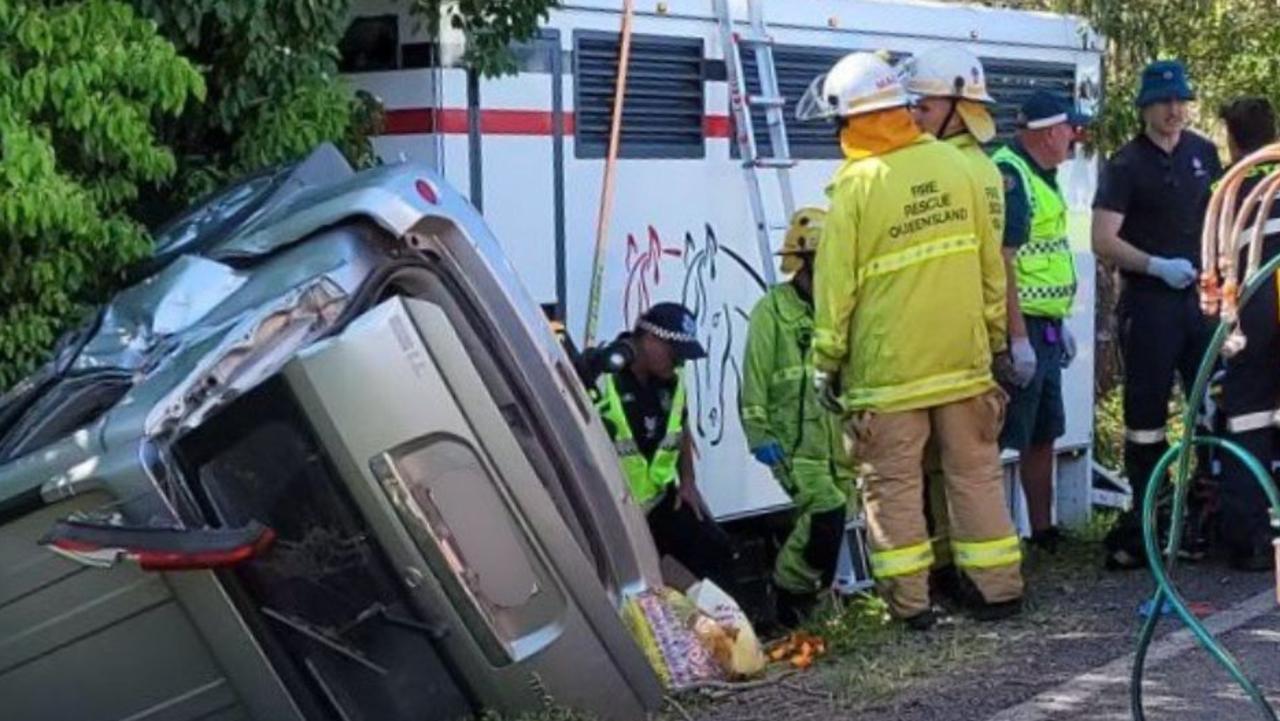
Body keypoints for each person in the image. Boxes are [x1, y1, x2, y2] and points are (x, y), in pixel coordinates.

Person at [807, 51, 1023, 630]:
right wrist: (996, 342)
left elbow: (835, 291)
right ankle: (997, 590)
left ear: (850, 121)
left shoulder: (854, 187)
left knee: (892, 484)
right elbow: (989, 269)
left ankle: (912, 608)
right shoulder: (960, 169)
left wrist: (826, 361)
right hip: (963, 361)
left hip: (889, 371)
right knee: (976, 475)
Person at [1092, 60, 1224, 569]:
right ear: (1145, 107)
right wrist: (1154, 266)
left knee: (1211, 408)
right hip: (1149, 303)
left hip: (1199, 300)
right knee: (1145, 420)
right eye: (1164, 102)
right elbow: (1103, 239)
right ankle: (1150, 514)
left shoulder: (1202, 154)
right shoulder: (1126, 164)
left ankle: (1205, 515)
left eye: (1180, 101)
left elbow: (1223, 213)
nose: (1174, 110)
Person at [902, 46, 1009, 596]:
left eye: (924, 104)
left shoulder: (961, 169)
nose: (914, 114)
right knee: (955, 471)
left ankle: (966, 578)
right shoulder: (977, 167)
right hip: (961, 345)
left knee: (960, 473)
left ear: (956, 105)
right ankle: (979, 581)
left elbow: (991, 263)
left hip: (942, 348)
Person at [740, 206, 854, 627]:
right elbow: (754, 379)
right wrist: (758, 433)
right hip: (794, 446)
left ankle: (812, 609)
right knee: (826, 512)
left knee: (831, 525)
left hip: (839, 444)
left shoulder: (839, 309)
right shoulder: (772, 311)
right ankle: (787, 595)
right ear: (803, 262)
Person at [990, 91, 1089, 550]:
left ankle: (1043, 532)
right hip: (1021, 327)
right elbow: (1002, 262)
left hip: (1044, 324)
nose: (1075, 137)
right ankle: (988, 540)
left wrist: (1059, 321)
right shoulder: (1011, 174)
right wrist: (1016, 338)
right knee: (998, 436)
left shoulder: (1042, 175)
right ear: (1051, 131)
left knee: (1044, 432)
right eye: (1071, 129)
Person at [576, 303, 738, 585]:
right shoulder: (601, 372)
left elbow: (681, 427)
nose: (679, 362)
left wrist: (688, 480)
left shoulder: (670, 383)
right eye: (674, 353)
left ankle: (731, 625)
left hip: (660, 501)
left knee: (719, 552)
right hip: (613, 510)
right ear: (650, 340)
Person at [1212, 97, 1280, 571]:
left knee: (1246, 422)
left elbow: (1216, 267)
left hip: (1254, 317)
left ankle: (1248, 540)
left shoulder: (1230, 193)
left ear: (1233, 141)